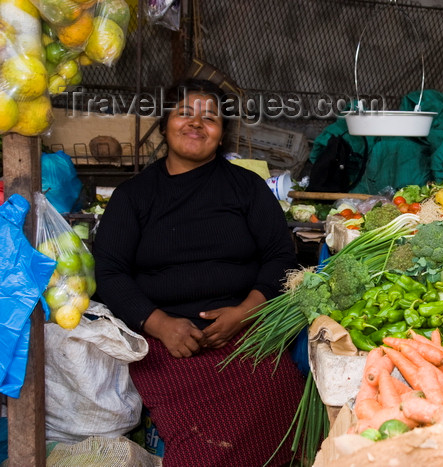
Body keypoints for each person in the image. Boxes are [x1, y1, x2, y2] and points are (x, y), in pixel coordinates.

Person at [93, 78, 306, 466]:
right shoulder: (134, 196)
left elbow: (280, 256)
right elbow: (110, 272)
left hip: (246, 334)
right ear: (165, 124)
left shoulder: (246, 188)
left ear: (221, 134)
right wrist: (159, 324)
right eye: (184, 113)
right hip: (165, 344)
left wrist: (245, 312)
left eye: (210, 118)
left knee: (289, 416)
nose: (196, 124)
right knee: (203, 448)